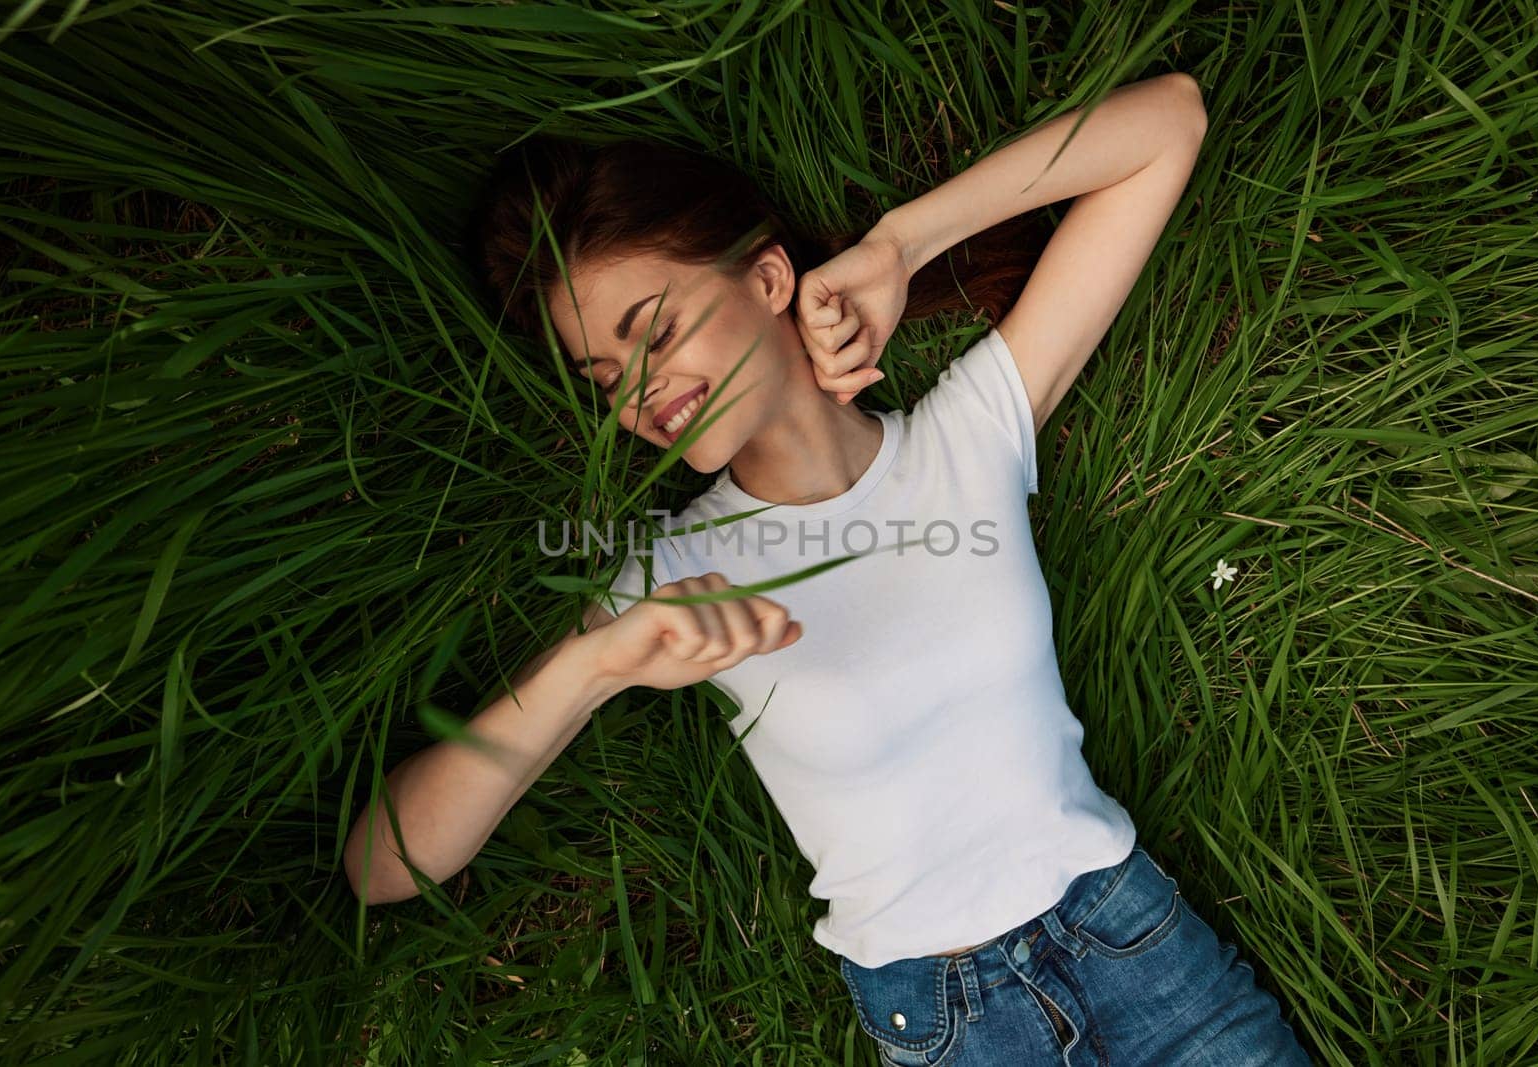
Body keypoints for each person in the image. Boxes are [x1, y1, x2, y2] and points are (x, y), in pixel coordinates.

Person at [343, 72, 1311, 1065]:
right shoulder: (678, 577)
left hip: (1137, 944)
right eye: (605, 378)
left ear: (764, 280)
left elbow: (1167, 123)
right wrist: (590, 668)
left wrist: (898, 245)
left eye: (658, 331)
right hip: (958, 1021)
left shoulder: (965, 437)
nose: (642, 392)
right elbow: (385, 863)